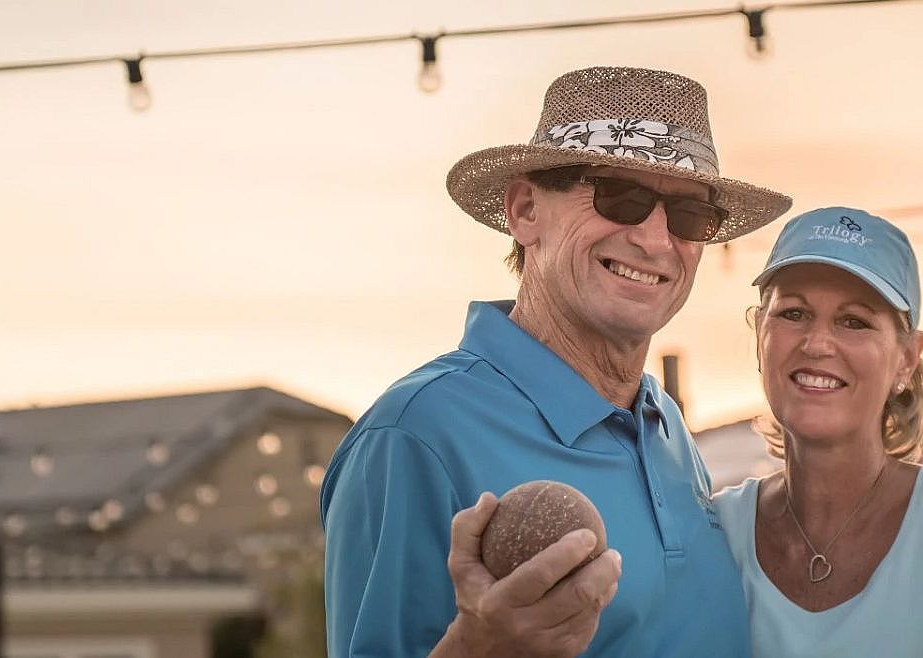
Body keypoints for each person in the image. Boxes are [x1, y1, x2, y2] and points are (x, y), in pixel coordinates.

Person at [321, 66, 791, 657]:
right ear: (524, 211)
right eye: (620, 198)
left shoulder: (662, 422)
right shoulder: (414, 434)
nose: (654, 240)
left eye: (689, 215)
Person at [715, 206, 923, 657]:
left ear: (907, 358)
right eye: (793, 313)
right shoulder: (713, 533)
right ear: (759, 334)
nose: (817, 344)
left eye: (854, 321)